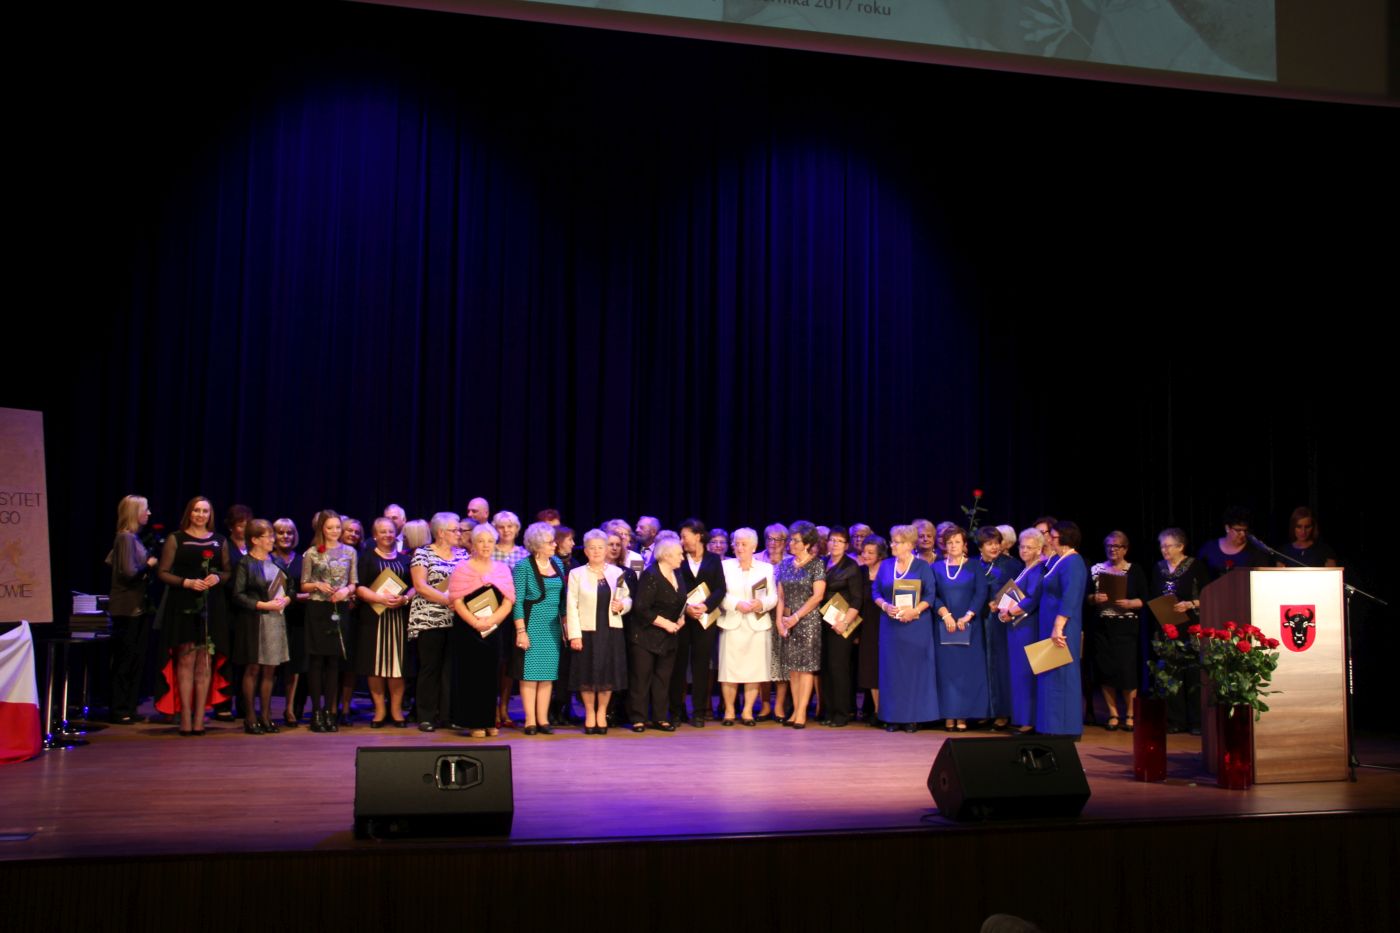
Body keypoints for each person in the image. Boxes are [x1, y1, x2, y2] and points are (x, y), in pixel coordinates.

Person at [156, 496, 233, 736]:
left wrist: (218, 577)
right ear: (189, 513)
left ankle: (200, 718)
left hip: (211, 605)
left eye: (205, 511)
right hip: (183, 604)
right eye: (197, 510)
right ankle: (186, 717)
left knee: (205, 661)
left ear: (210, 515)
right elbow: (163, 572)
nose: (200, 515)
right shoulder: (176, 538)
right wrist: (186, 582)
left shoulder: (220, 541)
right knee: (186, 660)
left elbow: (228, 571)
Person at [1008, 521, 1087, 737]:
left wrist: (1058, 627)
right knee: (1049, 674)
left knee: (1062, 674)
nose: (1049, 539)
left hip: (1061, 628)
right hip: (1048, 626)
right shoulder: (1056, 560)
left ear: (1064, 538)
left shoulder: (1073, 562)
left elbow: (1071, 597)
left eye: (1052, 536)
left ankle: (1067, 728)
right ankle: (1050, 726)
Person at [448, 523, 516, 737]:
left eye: (489, 541)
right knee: (470, 675)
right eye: (481, 541)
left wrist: (492, 620)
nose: (486, 545)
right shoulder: (462, 568)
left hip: (494, 630)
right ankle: (474, 723)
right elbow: (456, 600)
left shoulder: (502, 569)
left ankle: (489, 721)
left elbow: (508, 601)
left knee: (490, 675)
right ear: (473, 544)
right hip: (467, 630)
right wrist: (475, 622)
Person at [871, 525, 938, 732]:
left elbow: (930, 595)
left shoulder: (922, 566)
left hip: (915, 626)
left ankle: (912, 718)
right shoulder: (885, 565)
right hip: (891, 627)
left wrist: (914, 611)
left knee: (913, 672)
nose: (892, 545)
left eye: (897, 542)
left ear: (909, 545)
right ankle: (892, 717)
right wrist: (885, 606)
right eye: (892, 541)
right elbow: (875, 591)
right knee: (892, 672)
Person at [566, 529, 632, 734]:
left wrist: (623, 605)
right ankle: (589, 713)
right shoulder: (577, 574)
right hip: (586, 631)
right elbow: (571, 605)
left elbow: (627, 597)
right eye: (592, 548)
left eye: (600, 548)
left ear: (606, 550)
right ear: (586, 551)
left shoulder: (617, 573)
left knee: (607, 673)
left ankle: (602, 713)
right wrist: (574, 635)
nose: (596, 551)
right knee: (586, 673)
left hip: (611, 630)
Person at [231, 519, 292, 734]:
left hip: (275, 620)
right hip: (254, 621)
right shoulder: (245, 563)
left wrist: (287, 600)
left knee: (270, 669)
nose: (273, 539)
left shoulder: (277, 561)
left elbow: (290, 588)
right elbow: (237, 595)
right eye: (269, 536)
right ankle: (250, 717)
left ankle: (266, 716)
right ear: (255, 539)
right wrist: (262, 605)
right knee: (253, 668)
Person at [408, 512, 466, 732]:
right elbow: (420, 586)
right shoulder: (423, 553)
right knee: (430, 667)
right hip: (429, 619)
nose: (459, 533)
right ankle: (426, 716)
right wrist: (448, 600)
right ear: (441, 533)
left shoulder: (462, 554)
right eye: (455, 530)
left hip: (456, 619)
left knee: (451, 669)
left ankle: (448, 715)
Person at [300, 510, 357, 733]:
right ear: (322, 529)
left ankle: (330, 711)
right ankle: (316, 711)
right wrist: (317, 585)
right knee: (316, 661)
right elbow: (304, 584)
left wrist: (346, 591)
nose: (335, 531)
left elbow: (353, 583)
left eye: (337, 527)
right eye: (330, 527)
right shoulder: (312, 552)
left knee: (334, 661)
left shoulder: (350, 552)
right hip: (318, 608)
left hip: (339, 608)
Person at [1149, 527, 1210, 734]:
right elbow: (1153, 595)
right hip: (1167, 625)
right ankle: (1175, 720)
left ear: (1180, 546)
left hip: (1191, 625)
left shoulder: (1195, 566)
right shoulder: (1158, 568)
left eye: (1168, 546)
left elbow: (1208, 595)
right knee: (1170, 672)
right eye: (1162, 546)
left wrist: (1190, 604)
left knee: (1193, 673)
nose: (1164, 550)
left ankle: (1196, 721)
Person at [932, 525, 991, 732]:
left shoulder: (974, 566)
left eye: (957, 542)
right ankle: (949, 715)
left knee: (967, 672)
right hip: (945, 625)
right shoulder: (936, 567)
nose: (953, 546)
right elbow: (932, 595)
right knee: (947, 672)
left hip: (969, 626)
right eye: (949, 542)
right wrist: (946, 614)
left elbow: (981, 593)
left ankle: (963, 715)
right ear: (944, 545)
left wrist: (968, 615)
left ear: (965, 545)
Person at [355, 517, 413, 727]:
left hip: (398, 618)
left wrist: (404, 599)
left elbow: (415, 586)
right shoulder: (366, 558)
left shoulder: (406, 560)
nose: (387, 535)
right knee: (375, 665)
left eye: (390, 531)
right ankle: (379, 710)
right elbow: (359, 587)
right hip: (374, 618)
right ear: (374, 535)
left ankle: (396, 710)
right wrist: (379, 598)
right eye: (383, 531)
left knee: (397, 666)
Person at [717, 527, 778, 725]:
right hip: (732, 623)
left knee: (754, 670)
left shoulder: (766, 569)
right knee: (729, 671)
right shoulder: (724, 566)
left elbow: (773, 596)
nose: (739, 548)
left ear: (754, 546)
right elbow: (719, 593)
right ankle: (729, 711)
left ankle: (748, 711)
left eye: (744, 544)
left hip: (757, 625)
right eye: (736, 544)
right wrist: (736, 604)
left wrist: (762, 604)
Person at [670, 518, 727, 726]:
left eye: (684, 536)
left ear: (698, 536)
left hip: (705, 618)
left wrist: (705, 606)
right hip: (682, 619)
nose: (682, 540)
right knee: (679, 665)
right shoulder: (678, 558)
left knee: (701, 666)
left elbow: (720, 588)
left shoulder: (713, 559)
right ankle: (676, 712)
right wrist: (686, 608)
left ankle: (699, 712)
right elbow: (673, 587)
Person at [1088, 530, 1147, 731]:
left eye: (1117, 546)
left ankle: (1130, 714)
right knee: (1106, 670)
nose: (1112, 550)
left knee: (1127, 671)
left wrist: (1130, 603)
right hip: (1103, 627)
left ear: (1125, 549)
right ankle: (1113, 714)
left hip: (1126, 626)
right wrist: (1094, 598)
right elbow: (1087, 597)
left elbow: (1145, 599)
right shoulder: (1096, 569)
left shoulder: (1134, 570)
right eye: (1109, 546)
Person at [511, 522, 566, 735]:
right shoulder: (523, 566)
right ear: (537, 544)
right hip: (532, 624)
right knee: (530, 674)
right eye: (550, 542)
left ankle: (543, 719)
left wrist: (565, 625)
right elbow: (517, 601)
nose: (554, 545)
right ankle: (530, 720)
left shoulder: (557, 563)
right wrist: (521, 631)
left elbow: (562, 598)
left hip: (552, 627)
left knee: (547, 674)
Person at [107, 495, 158, 725]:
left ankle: (129, 706)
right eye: (145, 509)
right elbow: (128, 573)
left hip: (138, 607)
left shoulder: (132, 538)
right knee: (125, 659)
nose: (149, 513)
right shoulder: (125, 538)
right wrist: (148, 565)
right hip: (127, 609)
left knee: (136, 658)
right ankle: (119, 708)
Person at [628, 531, 686, 731]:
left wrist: (681, 618)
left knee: (663, 679)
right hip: (645, 635)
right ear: (667, 555)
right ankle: (638, 718)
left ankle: (660, 717)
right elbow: (641, 608)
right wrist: (666, 623)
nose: (682, 557)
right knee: (641, 678)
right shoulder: (651, 575)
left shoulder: (677, 574)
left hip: (668, 636)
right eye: (679, 554)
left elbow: (681, 600)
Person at [774, 520, 827, 729]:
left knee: (805, 669)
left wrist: (796, 617)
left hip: (807, 622)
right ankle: (795, 710)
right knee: (793, 669)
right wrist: (779, 621)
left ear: (807, 544)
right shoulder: (785, 565)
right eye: (791, 540)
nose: (792, 544)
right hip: (788, 622)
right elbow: (781, 596)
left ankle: (802, 712)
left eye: (796, 541)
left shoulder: (816, 564)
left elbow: (818, 596)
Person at [999, 528, 1047, 733]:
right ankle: (1020, 717)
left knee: (1026, 673)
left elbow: (1032, 599)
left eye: (1029, 547)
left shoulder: (1038, 569)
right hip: (1016, 626)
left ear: (1039, 549)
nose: (1024, 550)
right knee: (1017, 673)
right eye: (1022, 546)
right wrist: (1003, 610)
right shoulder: (1025, 569)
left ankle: (1029, 720)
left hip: (1027, 627)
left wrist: (1011, 612)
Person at [818, 526, 863, 727]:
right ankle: (829, 711)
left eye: (839, 541)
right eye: (832, 540)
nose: (835, 544)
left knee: (839, 668)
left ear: (846, 545)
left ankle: (842, 713)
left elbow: (857, 599)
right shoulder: (822, 563)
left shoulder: (851, 567)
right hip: (823, 621)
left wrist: (844, 622)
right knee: (826, 668)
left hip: (841, 623)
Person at [976, 526, 1014, 730]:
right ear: (980, 547)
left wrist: (1000, 603)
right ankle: (984, 710)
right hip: (977, 621)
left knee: (999, 666)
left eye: (997, 543)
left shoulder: (1010, 565)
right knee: (980, 666)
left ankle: (1002, 712)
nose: (994, 547)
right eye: (989, 544)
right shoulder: (974, 565)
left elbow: (1020, 590)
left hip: (1000, 622)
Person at [271, 518, 307, 727]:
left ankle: (290, 708)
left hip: (297, 618)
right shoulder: (267, 559)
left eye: (290, 533)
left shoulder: (302, 560)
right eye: (281, 532)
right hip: (273, 617)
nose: (285, 536)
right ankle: (266, 710)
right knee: (272, 666)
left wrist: (296, 597)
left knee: (294, 665)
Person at [854, 534, 888, 726]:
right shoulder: (860, 572)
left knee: (886, 668)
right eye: (864, 551)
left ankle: (887, 710)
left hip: (886, 624)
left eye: (870, 552)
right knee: (870, 669)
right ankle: (877, 710)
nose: (865, 555)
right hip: (866, 626)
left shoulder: (889, 570)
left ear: (880, 554)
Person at [1197, 506, 1269, 579]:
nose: (1243, 534)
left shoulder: (1256, 552)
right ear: (1227, 528)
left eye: (1245, 530)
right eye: (1238, 530)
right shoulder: (1209, 549)